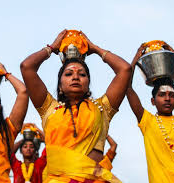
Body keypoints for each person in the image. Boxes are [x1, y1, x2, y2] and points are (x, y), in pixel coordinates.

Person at [20, 29, 131, 183]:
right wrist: (51, 48)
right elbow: (27, 67)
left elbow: (124, 70)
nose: (76, 77)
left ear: (88, 83)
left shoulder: (102, 108)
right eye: (69, 74)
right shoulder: (49, 109)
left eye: (82, 74)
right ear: (60, 86)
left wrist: (95, 48)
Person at [126, 43, 174, 182]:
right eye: (162, 95)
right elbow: (126, 86)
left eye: (171, 95)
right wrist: (136, 58)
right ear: (153, 101)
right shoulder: (147, 121)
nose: (167, 98)